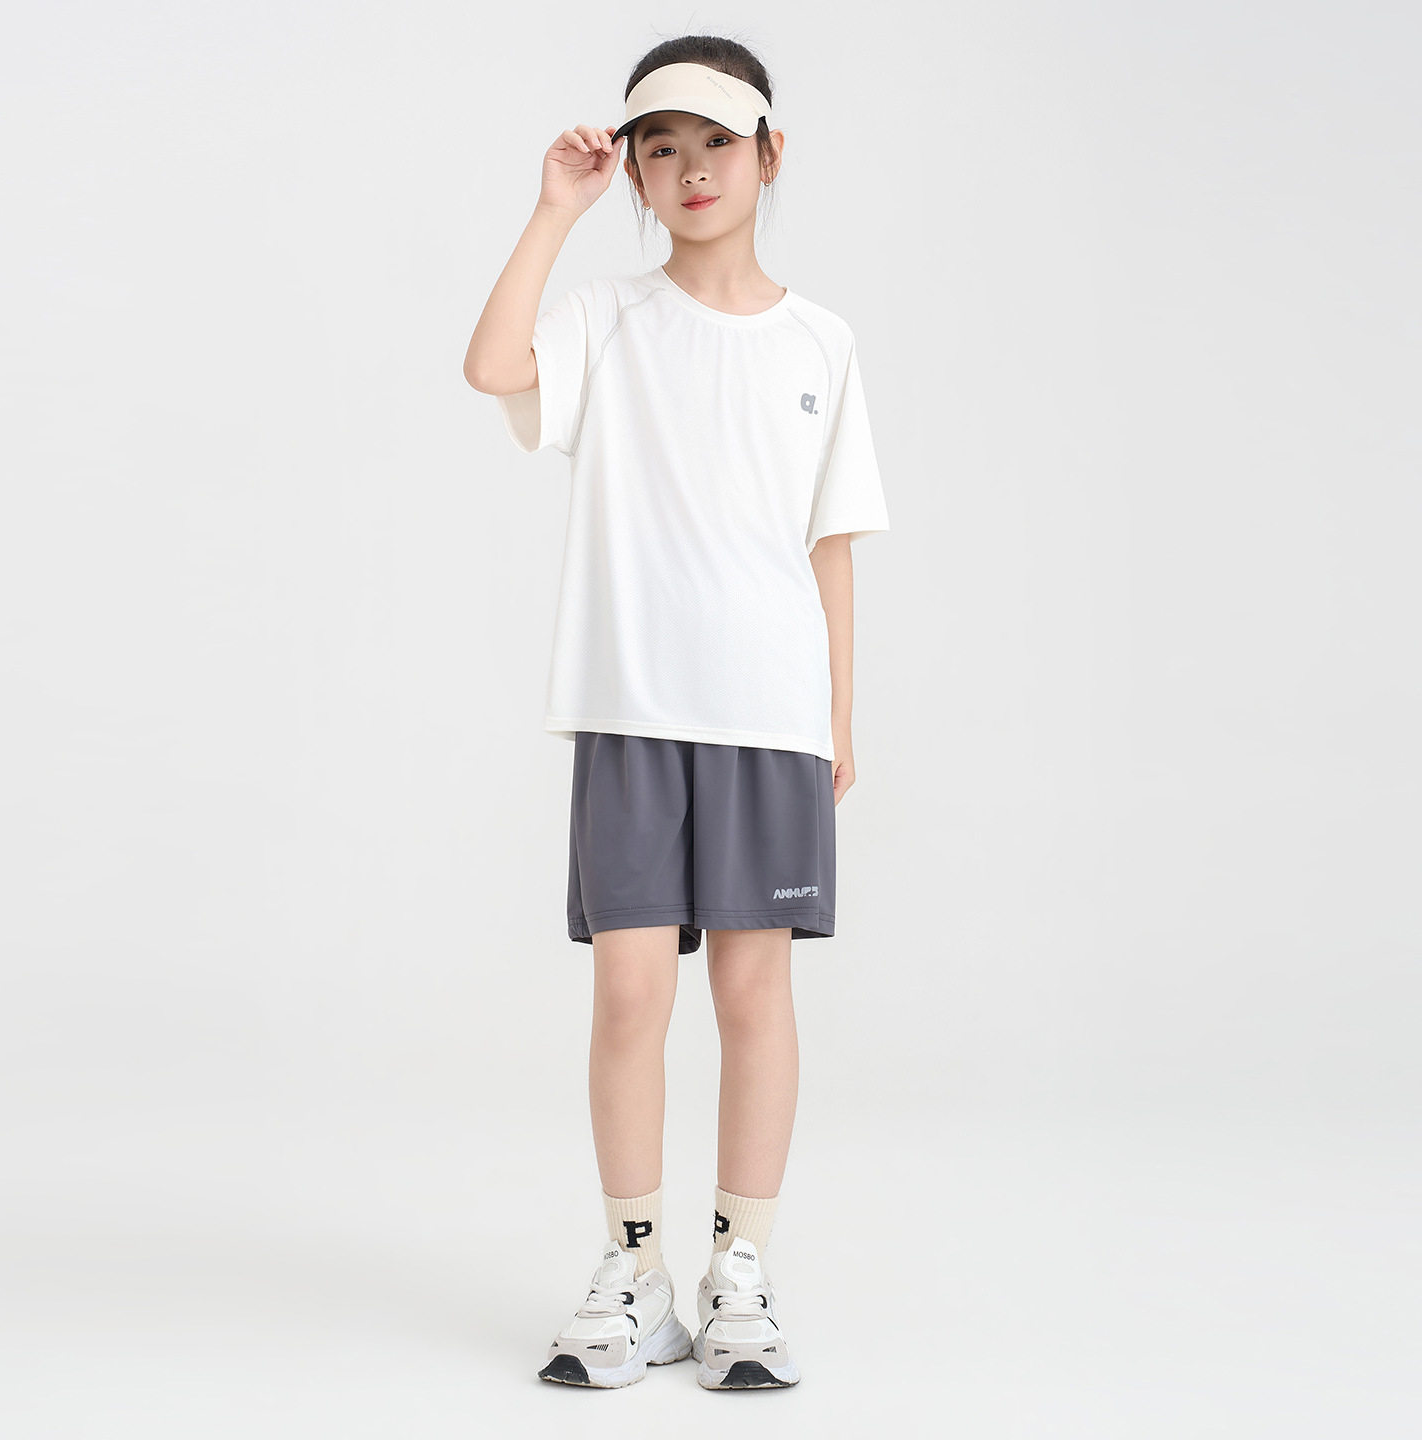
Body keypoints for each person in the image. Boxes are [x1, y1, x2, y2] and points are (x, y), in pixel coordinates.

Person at [464, 34, 889, 1391]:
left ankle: (740, 1272)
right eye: (662, 148)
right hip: (631, 707)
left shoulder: (822, 343)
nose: (692, 169)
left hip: (770, 715)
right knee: (631, 993)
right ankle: (634, 1271)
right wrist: (555, 208)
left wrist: (838, 715)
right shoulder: (607, 319)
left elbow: (832, 543)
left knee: (755, 993)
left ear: (770, 154)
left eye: (717, 142)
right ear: (636, 174)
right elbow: (491, 367)